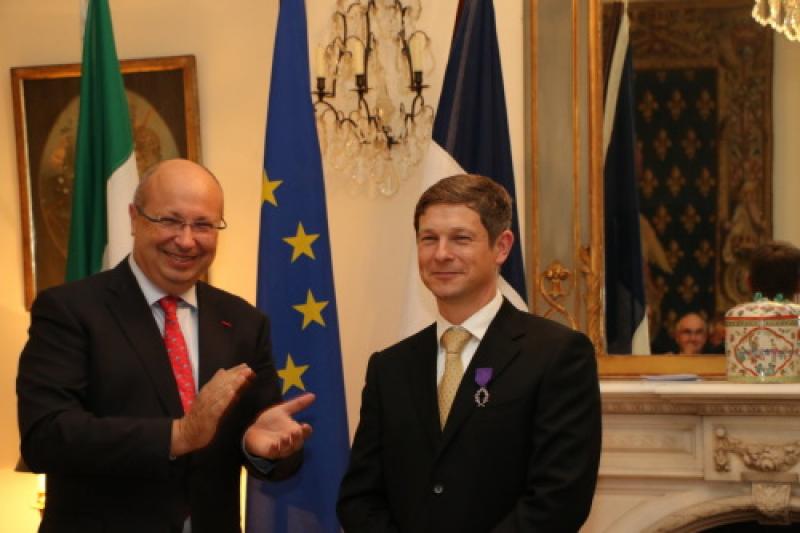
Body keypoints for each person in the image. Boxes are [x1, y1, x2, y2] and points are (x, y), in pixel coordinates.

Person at [17, 159, 313, 533]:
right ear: (134, 218)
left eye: (203, 224)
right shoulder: (69, 310)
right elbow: (46, 436)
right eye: (170, 221)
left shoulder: (243, 322)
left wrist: (262, 449)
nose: (187, 240)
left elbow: (265, 435)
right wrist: (177, 436)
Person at [337, 174, 602, 532]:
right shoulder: (390, 366)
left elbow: (559, 499)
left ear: (502, 247)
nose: (441, 253)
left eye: (461, 239)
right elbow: (360, 498)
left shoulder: (557, 355)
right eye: (429, 239)